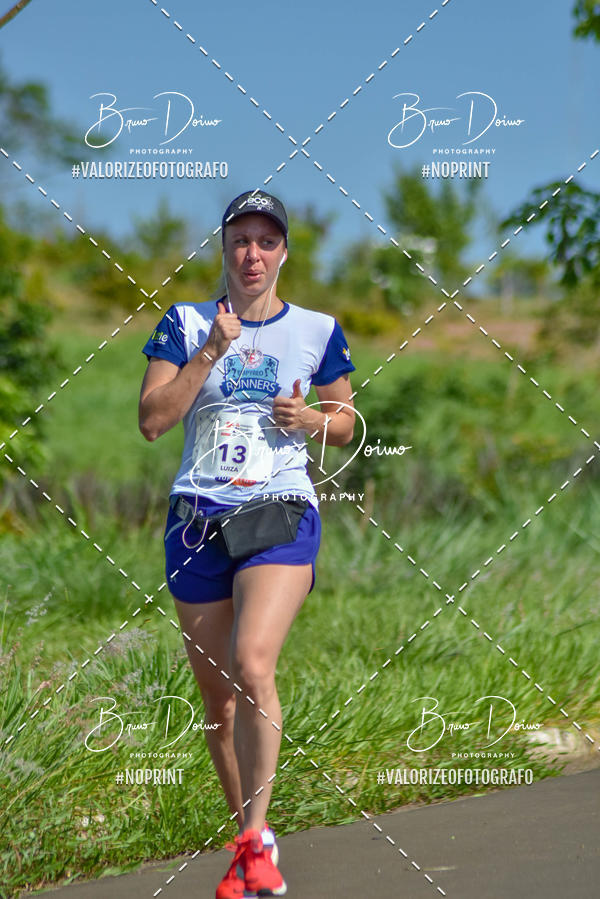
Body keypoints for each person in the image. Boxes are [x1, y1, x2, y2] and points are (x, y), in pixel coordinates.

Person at [138, 190, 356, 898]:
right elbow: (152, 419)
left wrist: (312, 417)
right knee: (219, 704)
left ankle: (260, 834)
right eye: (240, 240)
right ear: (223, 249)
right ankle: (247, 845)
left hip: (278, 506)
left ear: (284, 251)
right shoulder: (186, 321)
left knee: (252, 662)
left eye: (267, 241)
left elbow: (348, 420)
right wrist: (211, 349)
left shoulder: (318, 329)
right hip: (198, 516)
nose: (252, 254)